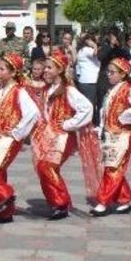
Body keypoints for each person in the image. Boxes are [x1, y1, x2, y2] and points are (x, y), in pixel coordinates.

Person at [32, 50, 101, 220]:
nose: (45, 70)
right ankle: (58, 202)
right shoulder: (49, 88)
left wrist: (68, 124)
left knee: (46, 167)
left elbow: (87, 108)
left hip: (63, 137)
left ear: (60, 70)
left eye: (49, 68)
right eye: (45, 68)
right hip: (50, 135)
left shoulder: (69, 90)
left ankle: (60, 203)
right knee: (43, 167)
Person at [0, 53, 39, 223]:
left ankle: (5, 195)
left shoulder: (19, 91)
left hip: (9, 139)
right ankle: (4, 211)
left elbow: (33, 113)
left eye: (2, 69)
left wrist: (17, 133)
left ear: (13, 73)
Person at [90, 58, 131, 217]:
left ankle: (103, 201)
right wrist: (101, 127)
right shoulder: (113, 89)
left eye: (112, 72)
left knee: (113, 166)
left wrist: (127, 116)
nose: (108, 75)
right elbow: (105, 110)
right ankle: (124, 199)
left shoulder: (129, 90)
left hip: (124, 134)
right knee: (112, 165)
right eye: (108, 71)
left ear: (123, 74)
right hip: (111, 133)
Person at [76, 34, 101, 108]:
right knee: (90, 105)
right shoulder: (87, 50)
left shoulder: (81, 50)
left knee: (87, 104)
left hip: (85, 80)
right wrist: (95, 45)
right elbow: (95, 54)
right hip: (90, 81)